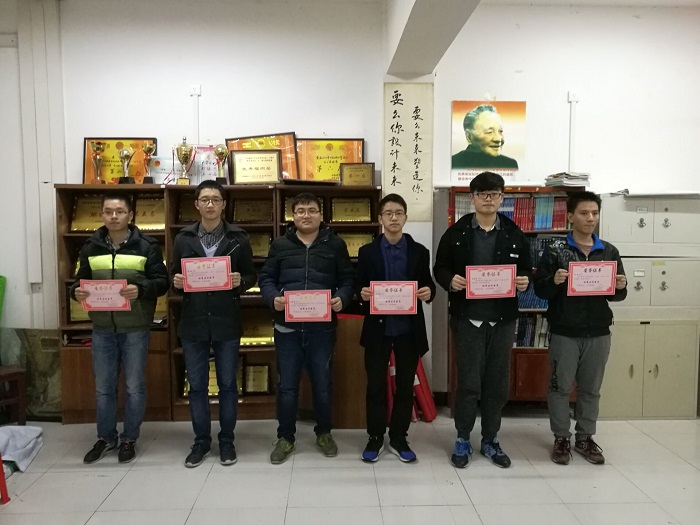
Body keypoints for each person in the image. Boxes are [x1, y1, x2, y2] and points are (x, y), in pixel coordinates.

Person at [433, 172, 531, 469]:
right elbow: (440, 268)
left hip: (502, 320)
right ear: (472, 198)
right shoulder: (456, 232)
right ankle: (463, 438)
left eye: (495, 194)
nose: (489, 199)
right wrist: (451, 281)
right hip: (468, 319)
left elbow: (526, 270)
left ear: (502, 198)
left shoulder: (514, 233)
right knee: (468, 383)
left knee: (497, 384)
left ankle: (490, 439)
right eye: (483, 194)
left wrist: (524, 281)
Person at [72, 192, 168, 464]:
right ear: (102, 214)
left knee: (134, 386)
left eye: (120, 212)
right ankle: (106, 437)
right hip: (102, 328)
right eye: (108, 211)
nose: (114, 216)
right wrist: (75, 292)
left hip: (135, 327)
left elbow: (161, 282)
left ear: (130, 215)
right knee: (103, 388)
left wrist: (141, 289)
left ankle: (129, 438)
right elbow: (79, 280)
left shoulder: (146, 246)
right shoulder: (91, 247)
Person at [258, 192, 355, 464]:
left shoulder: (335, 244)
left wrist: (342, 297)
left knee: (322, 384)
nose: (306, 215)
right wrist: (273, 298)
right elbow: (266, 278)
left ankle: (324, 433)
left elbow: (348, 279)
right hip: (287, 328)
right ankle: (285, 437)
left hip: (322, 329)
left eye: (312, 210)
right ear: (293, 216)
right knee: (287, 386)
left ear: (321, 215)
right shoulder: (280, 245)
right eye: (300, 211)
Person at [534, 191, 627, 465]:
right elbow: (540, 290)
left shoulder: (608, 251)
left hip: (598, 331)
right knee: (559, 387)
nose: (590, 218)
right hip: (565, 331)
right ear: (570, 216)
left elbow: (617, 295)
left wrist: (620, 287)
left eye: (595, 213)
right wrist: (554, 281)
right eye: (584, 213)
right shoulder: (555, 250)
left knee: (591, 389)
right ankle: (561, 438)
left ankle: (585, 437)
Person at [171, 180, 257, 468]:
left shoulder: (238, 238)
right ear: (196, 204)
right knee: (197, 386)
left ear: (223, 205)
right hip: (193, 322)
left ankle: (227, 440)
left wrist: (240, 281)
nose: (210, 204)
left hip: (226, 321)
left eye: (215, 199)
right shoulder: (183, 238)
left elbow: (251, 275)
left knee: (227, 385)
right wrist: (177, 282)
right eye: (205, 199)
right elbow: (174, 277)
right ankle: (201, 441)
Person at [356, 194, 436, 463]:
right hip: (377, 329)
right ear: (380, 218)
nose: (393, 217)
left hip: (408, 330)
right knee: (375, 386)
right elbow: (359, 286)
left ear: (405, 217)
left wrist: (428, 292)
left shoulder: (419, 251)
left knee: (404, 387)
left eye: (398, 213)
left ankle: (399, 437)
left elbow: (428, 284)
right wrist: (362, 294)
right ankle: (375, 437)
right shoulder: (367, 252)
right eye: (388, 213)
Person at [451, 104, 519, 170]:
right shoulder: (454, 163)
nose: (498, 139)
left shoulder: (509, 164)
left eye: (500, 131)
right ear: (469, 137)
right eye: (489, 132)